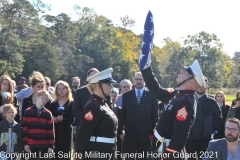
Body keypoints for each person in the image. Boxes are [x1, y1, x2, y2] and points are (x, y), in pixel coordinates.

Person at [141, 59, 206, 158]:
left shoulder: (186, 102)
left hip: (167, 153)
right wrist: (146, 67)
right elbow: (156, 89)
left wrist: (169, 155)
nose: (181, 72)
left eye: (185, 72)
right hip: (160, 149)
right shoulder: (177, 94)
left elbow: (179, 135)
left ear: (190, 81)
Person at [75, 68, 117, 160]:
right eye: (108, 84)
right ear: (98, 86)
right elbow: (82, 135)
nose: (112, 86)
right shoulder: (93, 106)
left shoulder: (102, 103)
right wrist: (80, 155)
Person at [118, 72, 158, 160]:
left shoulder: (152, 95)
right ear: (133, 80)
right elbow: (123, 115)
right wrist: (120, 131)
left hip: (146, 136)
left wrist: (153, 135)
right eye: (137, 79)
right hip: (130, 135)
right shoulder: (126, 96)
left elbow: (155, 116)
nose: (139, 81)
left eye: (141, 79)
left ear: (144, 81)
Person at [185, 77, 223, 160]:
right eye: (199, 84)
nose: (201, 87)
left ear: (207, 87)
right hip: (189, 140)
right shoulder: (188, 100)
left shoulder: (212, 102)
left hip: (206, 141)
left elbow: (219, 118)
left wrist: (211, 128)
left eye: (203, 85)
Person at [22, 90, 54, 160]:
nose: (44, 100)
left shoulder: (48, 113)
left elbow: (51, 131)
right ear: (37, 97)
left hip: (44, 145)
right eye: (42, 98)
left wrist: (51, 146)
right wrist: (25, 144)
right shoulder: (27, 111)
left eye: (46, 99)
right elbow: (24, 129)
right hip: (31, 145)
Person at [50, 80, 74, 160]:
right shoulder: (53, 103)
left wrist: (62, 120)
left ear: (67, 89)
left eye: (63, 88)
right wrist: (55, 119)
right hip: (55, 133)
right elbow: (49, 116)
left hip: (66, 133)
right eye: (59, 89)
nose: (61, 90)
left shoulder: (71, 103)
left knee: (65, 154)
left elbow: (72, 120)